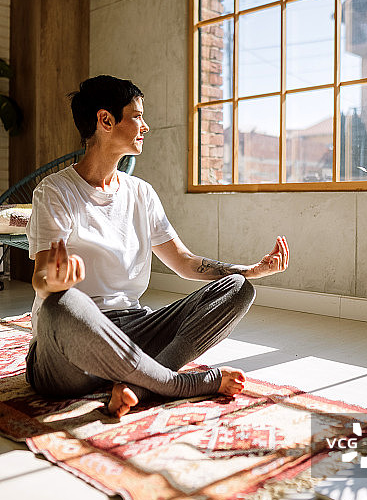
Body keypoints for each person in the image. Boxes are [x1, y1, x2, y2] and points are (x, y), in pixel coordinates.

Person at [25, 75, 289, 418]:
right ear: (106, 120)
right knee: (63, 303)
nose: (145, 126)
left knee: (239, 289)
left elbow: (184, 261)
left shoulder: (141, 193)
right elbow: (42, 277)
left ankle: (137, 386)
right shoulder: (55, 193)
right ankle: (176, 384)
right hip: (71, 352)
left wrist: (250, 270)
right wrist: (55, 283)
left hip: (135, 329)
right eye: (136, 116)